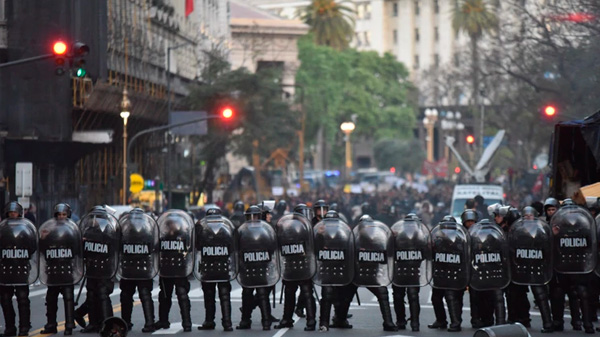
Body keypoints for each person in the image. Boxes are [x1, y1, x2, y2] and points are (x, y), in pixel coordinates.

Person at [40, 203, 80, 336]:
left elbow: (77, 251)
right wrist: (43, 239)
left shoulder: (73, 230)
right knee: (51, 299)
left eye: (64, 214)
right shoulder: (50, 230)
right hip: (53, 270)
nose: (61, 217)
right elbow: (42, 250)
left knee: (68, 298)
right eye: (59, 214)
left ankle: (69, 325)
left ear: (68, 215)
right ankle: (51, 324)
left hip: (67, 269)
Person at [196, 208, 234, 331]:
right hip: (223, 267)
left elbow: (197, 246)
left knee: (209, 295)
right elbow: (232, 248)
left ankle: (209, 321)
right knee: (224, 295)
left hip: (208, 268)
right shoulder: (226, 230)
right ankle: (227, 323)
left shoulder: (203, 231)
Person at [0, 202, 34, 337]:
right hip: (5, 268)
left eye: (15, 212)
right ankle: (10, 327)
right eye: (10, 212)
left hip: (21, 267)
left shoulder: (25, 228)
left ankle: (24, 327)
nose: (13, 214)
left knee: (23, 298)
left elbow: (32, 247)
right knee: (5, 299)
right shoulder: (2, 229)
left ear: (20, 213)